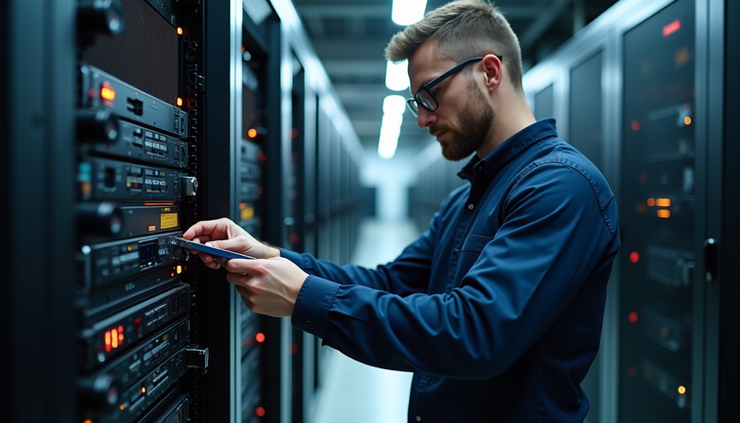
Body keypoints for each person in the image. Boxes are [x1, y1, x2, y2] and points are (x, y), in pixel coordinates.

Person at [183, 0, 620, 421]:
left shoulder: (561, 186)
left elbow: (476, 334)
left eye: (430, 93)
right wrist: (270, 258)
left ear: (489, 72)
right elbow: (391, 282)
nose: (423, 119)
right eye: (417, 102)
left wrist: (302, 297)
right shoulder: (469, 197)